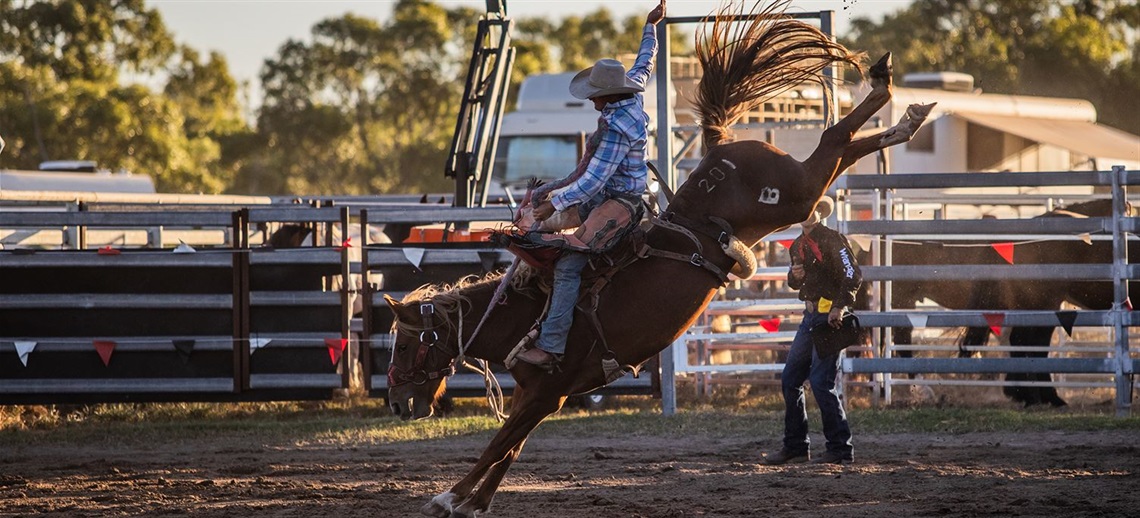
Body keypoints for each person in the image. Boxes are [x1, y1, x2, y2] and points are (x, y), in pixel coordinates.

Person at [512, 0, 666, 368]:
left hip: (622, 203)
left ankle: (551, 346)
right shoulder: (633, 92)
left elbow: (594, 176)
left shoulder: (616, 126)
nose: (593, 99)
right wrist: (651, 27)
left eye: (596, 93)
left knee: (568, 262)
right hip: (605, 195)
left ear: (609, 94)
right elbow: (644, 64)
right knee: (534, 229)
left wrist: (554, 201)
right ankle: (535, 303)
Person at [764, 195, 861, 465]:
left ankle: (839, 447)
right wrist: (794, 278)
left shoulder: (832, 239)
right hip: (811, 317)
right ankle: (797, 446)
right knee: (791, 379)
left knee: (820, 382)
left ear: (820, 211)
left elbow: (852, 274)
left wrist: (839, 307)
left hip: (829, 317)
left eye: (814, 207)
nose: (809, 212)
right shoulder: (798, 245)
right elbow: (796, 281)